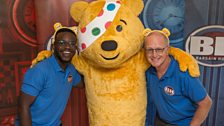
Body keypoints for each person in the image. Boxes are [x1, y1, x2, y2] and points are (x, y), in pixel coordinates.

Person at [16, 23, 82, 126]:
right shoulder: (40, 70)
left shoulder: (71, 69)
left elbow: (84, 84)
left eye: (72, 43)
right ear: (53, 46)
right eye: (62, 43)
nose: (67, 47)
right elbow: (23, 105)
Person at [144, 28, 212, 126]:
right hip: (161, 122)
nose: (154, 54)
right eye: (150, 50)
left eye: (159, 49)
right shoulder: (149, 71)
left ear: (167, 49)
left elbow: (206, 103)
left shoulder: (183, 73)